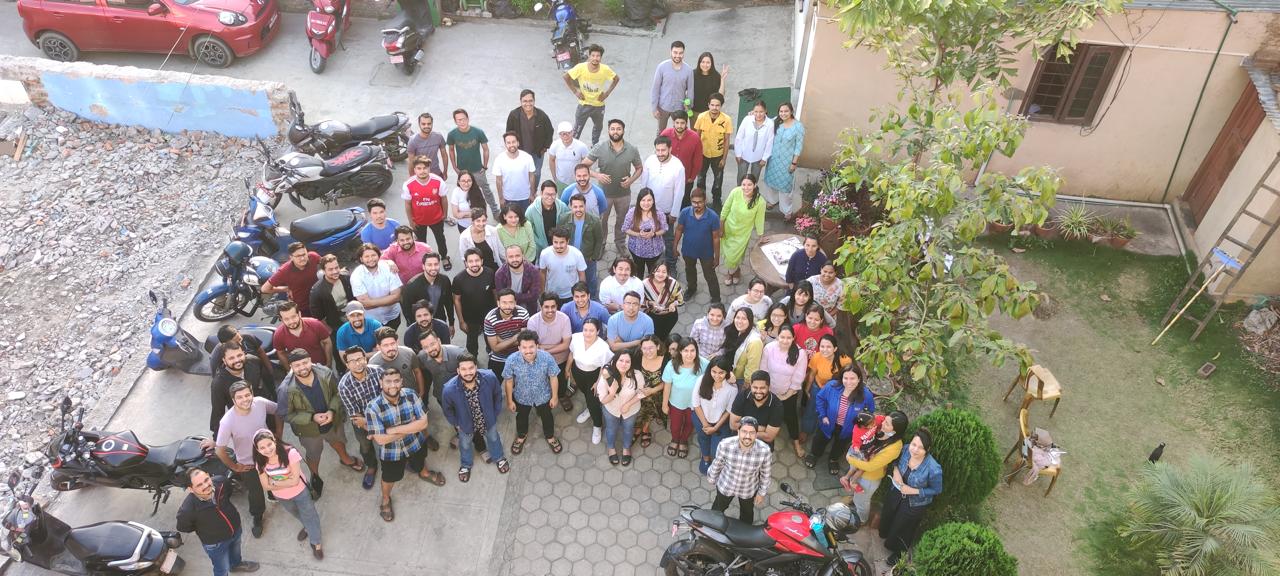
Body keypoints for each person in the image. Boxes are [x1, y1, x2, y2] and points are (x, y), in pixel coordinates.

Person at [365, 367, 446, 523]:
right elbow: (381, 440)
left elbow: (423, 424)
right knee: (390, 478)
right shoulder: (373, 408)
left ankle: (424, 473)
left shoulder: (411, 394)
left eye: (396, 381)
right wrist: (411, 427)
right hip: (391, 453)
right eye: (388, 381)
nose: (393, 385)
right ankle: (386, 499)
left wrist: (392, 431)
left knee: (420, 461)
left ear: (401, 381)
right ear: (380, 383)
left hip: (415, 444)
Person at [279, 350, 363, 497]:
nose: (303, 367)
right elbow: (285, 414)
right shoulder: (285, 389)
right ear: (291, 366)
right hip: (308, 430)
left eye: (305, 362)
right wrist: (311, 418)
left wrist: (332, 410)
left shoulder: (325, 373)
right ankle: (315, 476)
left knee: (338, 440)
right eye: (297, 365)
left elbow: (338, 393)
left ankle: (345, 459)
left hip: (332, 421)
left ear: (310, 360)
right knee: (313, 454)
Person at [213, 383, 273, 539]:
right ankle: (258, 517)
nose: (245, 399)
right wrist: (235, 467)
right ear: (233, 400)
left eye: (247, 395)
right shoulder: (227, 421)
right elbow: (219, 450)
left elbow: (278, 411)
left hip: (269, 454)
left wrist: (277, 432)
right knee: (256, 492)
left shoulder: (260, 403)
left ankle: (273, 493)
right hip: (249, 463)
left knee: (275, 476)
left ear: (252, 392)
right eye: (239, 397)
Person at [252, 430, 324, 559]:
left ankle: (316, 542)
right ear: (257, 450)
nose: (267, 450)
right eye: (262, 448)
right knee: (296, 513)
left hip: (301, 492)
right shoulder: (260, 462)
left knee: (310, 515)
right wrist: (286, 482)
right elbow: (265, 486)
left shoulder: (290, 453)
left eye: (269, 444)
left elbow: (295, 481)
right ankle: (308, 527)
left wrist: (274, 483)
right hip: (282, 497)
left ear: (274, 441)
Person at [176, 469, 260, 576]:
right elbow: (184, 527)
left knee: (236, 552)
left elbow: (228, 492)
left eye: (206, 480)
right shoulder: (187, 509)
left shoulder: (221, 482)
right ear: (191, 489)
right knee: (221, 569)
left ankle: (235, 565)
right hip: (215, 544)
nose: (206, 485)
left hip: (235, 529)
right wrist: (206, 529)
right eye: (199, 485)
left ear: (208, 475)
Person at [879, 428, 944, 567]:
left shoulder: (934, 468)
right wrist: (896, 471)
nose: (914, 450)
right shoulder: (906, 449)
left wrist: (913, 491)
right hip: (897, 491)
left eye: (920, 448)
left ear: (927, 449)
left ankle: (898, 553)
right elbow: (895, 461)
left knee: (902, 527)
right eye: (914, 445)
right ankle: (887, 537)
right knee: (889, 514)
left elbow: (936, 489)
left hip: (915, 502)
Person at [441, 353, 510, 482]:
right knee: (465, 444)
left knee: (494, 438)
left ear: (476, 367)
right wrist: (456, 423)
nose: (468, 372)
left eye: (471, 368)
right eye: (464, 369)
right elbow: (448, 410)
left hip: (488, 419)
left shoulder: (489, 377)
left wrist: (494, 413)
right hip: (465, 424)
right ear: (458, 371)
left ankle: (499, 457)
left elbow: (497, 395)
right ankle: (466, 464)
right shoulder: (449, 389)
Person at [582, 119, 643, 255]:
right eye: (613, 129)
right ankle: (602, 243)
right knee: (602, 220)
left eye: (618, 129)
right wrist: (597, 175)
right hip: (604, 194)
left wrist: (631, 180)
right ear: (608, 131)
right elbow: (583, 166)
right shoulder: (599, 147)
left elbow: (639, 168)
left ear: (623, 131)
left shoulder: (632, 149)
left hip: (624, 194)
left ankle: (620, 243)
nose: (615, 132)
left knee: (622, 220)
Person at [840, 411, 908, 522]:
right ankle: (854, 499)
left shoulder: (895, 447)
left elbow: (870, 466)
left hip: (869, 478)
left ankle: (861, 519)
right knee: (857, 492)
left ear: (894, 431)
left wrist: (850, 459)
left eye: (887, 424)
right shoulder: (879, 426)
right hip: (860, 467)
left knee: (862, 501)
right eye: (885, 419)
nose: (882, 423)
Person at [503, 330, 563, 455]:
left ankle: (550, 436)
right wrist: (509, 401)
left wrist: (555, 397)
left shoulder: (546, 358)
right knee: (521, 417)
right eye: (524, 347)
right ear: (519, 347)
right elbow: (508, 381)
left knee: (547, 417)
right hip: (521, 397)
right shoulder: (511, 360)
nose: (528, 350)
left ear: (537, 346)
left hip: (543, 396)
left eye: (531, 347)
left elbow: (553, 377)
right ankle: (521, 435)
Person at [809, 366, 875, 475]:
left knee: (840, 445)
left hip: (848, 429)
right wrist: (823, 415)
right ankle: (814, 454)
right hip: (828, 422)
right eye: (846, 378)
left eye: (852, 378)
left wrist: (860, 426)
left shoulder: (866, 395)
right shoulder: (832, 386)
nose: (849, 382)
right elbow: (820, 398)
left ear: (859, 379)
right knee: (820, 439)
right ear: (841, 378)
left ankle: (833, 459)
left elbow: (870, 411)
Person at [706, 415, 772, 524]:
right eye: (744, 431)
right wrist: (712, 478)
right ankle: (712, 527)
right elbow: (718, 463)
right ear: (738, 431)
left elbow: (766, 474)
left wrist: (761, 493)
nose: (747, 436)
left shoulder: (764, 451)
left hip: (748, 489)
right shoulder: (725, 444)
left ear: (756, 434)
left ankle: (744, 534)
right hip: (726, 485)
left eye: (752, 433)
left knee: (747, 514)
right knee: (717, 509)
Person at [336, 347, 384, 491]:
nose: (357, 364)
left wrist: (383, 428)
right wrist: (373, 430)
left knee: (390, 440)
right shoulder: (344, 386)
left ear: (365, 359)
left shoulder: (379, 371)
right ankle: (372, 465)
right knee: (365, 444)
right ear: (347, 365)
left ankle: (396, 459)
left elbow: (388, 396)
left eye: (360, 359)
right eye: (352, 361)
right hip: (362, 420)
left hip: (384, 414)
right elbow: (355, 415)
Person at [759, 325, 809, 457]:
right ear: (777, 336)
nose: (785, 340)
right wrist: (766, 391)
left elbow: (799, 378)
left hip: (788, 393)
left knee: (791, 417)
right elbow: (763, 370)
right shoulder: (769, 348)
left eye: (789, 338)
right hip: (768, 390)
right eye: (782, 337)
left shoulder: (800, 353)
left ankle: (796, 443)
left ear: (793, 338)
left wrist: (786, 395)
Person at [639, 137, 685, 272]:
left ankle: (671, 266)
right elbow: (644, 184)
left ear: (670, 149)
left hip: (666, 212)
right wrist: (641, 205)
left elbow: (679, 192)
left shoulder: (678, 167)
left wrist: (674, 213)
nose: (660, 153)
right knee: (649, 235)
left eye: (663, 150)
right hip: (648, 209)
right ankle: (653, 264)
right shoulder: (650, 160)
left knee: (668, 240)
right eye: (657, 150)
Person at [210, 344, 275, 436]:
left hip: (266, 414)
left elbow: (268, 382)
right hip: (245, 424)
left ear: (244, 354)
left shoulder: (254, 361)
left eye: (239, 355)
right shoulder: (219, 383)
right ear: (224, 360)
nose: (237, 360)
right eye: (231, 358)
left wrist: (274, 401)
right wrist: (216, 439)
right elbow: (217, 412)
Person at [567, 318, 613, 444]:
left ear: (598, 331)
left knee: (593, 400)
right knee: (585, 394)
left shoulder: (603, 347)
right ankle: (589, 409)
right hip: (578, 371)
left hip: (593, 376)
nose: (587, 333)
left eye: (591, 330)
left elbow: (604, 366)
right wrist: (567, 369)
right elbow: (571, 354)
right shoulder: (576, 338)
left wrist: (598, 382)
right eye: (585, 330)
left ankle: (597, 426)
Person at [564, 44, 620, 145]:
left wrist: (606, 94)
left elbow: (616, 79)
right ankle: (573, 148)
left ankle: (594, 147)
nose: (595, 58)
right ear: (589, 56)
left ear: (601, 57)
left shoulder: (605, 69)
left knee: (598, 128)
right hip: (583, 105)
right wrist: (575, 91)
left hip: (598, 106)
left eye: (598, 56)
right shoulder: (581, 68)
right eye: (593, 55)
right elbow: (566, 77)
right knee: (577, 129)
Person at [673, 188, 721, 303]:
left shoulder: (713, 216)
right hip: (688, 251)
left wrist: (717, 256)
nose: (697, 205)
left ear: (705, 201)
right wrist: (674, 247)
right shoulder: (685, 212)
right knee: (690, 271)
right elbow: (679, 230)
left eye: (699, 202)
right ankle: (691, 289)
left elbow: (716, 238)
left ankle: (716, 298)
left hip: (706, 253)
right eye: (694, 202)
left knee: (710, 276)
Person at [526, 292, 573, 411]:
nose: (550, 310)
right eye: (546, 307)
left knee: (561, 379)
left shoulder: (564, 319)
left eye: (553, 306)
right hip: (539, 359)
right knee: (541, 381)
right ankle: (543, 400)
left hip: (561, 358)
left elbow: (566, 344)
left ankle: (562, 396)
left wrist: (545, 348)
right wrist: (556, 346)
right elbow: (533, 346)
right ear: (540, 306)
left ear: (557, 306)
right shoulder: (532, 321)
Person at [662, 339, 706, 459]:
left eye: (692, 350)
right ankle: (675, 439)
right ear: (680, 351)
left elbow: (716, 370)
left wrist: (730, 376)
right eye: (686, 350)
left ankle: (683, 440)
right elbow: (667, 386)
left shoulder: (703, 363)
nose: (689, 354)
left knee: (689, 424)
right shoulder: (671, 365)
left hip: (695, 405)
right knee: (675, 426)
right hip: (676, 403)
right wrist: (664, 404)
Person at [447, 109, 497, 216]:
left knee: (486, 191)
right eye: (459, 120)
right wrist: (455, 167)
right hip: (462, 171)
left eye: (464, 119)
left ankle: (496, 212)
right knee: (465, 193)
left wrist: (484, 166)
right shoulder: (452, 134)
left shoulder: (478, 132)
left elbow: (486, 149)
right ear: (455, 121)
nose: (462, 122)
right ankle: (471, 214)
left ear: (468, 119)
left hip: (478, 170)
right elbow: (451, 150)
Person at [692, 356, 737, 475]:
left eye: (721, 372)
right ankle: (705, 458)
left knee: (716, 448)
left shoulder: (732, 389)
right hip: (701, 419)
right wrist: (705, 424)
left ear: (727, 372)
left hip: (720, 423)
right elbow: (696, 404)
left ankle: (714, 460)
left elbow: (728, 411)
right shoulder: (701, 380)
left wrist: (715, 427)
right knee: (703, 439)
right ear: (709, 370)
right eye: (714, 371)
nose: (717, 376)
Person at [597, 350, 642, 466]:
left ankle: (626, 448)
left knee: (628, 429)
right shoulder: (606, 377)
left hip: (631, 410)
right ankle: (611, 448)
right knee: (611, 429)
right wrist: (612, 394)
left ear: (631, 363)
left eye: (627, 361)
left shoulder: (637, 375)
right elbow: (602, 400)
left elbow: (641, 393)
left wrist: (628, 404)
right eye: (621, 360)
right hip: (611, 410)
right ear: (615, 361)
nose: (624, 364)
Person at [720, 174, 766, 286]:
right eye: (743, 184)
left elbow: (759, 220)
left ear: (755, 185)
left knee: (734, 256)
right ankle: (734, 271)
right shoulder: (735, 192)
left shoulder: (760, 202)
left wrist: (761, 236)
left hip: (743, 233)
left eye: (749, 184)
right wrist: (721, 226)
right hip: (728, 228)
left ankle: (731, 272)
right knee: (728, 255)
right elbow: (725, 208)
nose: (746, 187)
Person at [400, 160, 449, 263]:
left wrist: (445, 214)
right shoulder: (408, 184)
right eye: (419, 168)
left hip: (436, 219)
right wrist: (411, 221)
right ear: (414, 170)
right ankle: (426, 260)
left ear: (429, 168)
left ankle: (444, 257)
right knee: (421, 243)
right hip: (418, 221)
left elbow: (444, 198)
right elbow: (407, 204)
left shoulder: (438, 181)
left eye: (425, 168)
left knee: (440, 239)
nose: (422, 171)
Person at [763, 102, 805, 220]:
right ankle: (772, 201)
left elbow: (798, 147)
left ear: (791, 111)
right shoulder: (776, 121)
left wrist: (794, 163)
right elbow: (763, 119)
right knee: (771, 183)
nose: (783, 114)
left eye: (786, 111)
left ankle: (786, 210)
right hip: (773, 159)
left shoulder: (798, 126)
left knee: (785, 187)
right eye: (781, 111)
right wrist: (752, 114)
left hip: (787, 162)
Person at [557, 195, 605, 298]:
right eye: (575, 207)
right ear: (570, 207)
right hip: (569, 257)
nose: (578, 209)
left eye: (581, 206)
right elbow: (559, 236)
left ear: (585, 206)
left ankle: (591, 298)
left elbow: (599, 239)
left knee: (590, 280)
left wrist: (594, 257)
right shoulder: (563, 219)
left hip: (587, 258)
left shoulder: (595, 221)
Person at [804, 335, 849, 442]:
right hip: (818, 387)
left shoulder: (844, 360)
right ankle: (806, 430)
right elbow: (812, 374)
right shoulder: (817, 357)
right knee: (811, 409)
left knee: (827, 412)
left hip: (835, 391)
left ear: (835, 348)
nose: (825, 350)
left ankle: (821, 431)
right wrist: (807, 389)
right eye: (822, 346)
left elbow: (849, 377)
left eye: (828, 347)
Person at [350, 243, 404, 329]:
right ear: (361, 259)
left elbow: (397, 297)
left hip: (392, 316)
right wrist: (390, 299)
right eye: (366, 256)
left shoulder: (389, 267)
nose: (370, 259)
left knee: (392, 339)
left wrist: (371, 302)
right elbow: (366, 305)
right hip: (372, 321)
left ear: (379, 256)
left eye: (373, 255)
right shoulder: (356, 276)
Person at [694, 93, 733, 208]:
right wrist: (696, 156)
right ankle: (701, 199)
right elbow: (697, 137)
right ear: (708, 105)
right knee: (700, 178)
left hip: (718, 155)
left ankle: (716, 200)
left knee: (718, 179)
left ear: (721, 106)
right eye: (712, 105)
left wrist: (724, 159)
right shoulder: (701, 117)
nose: (714, 108)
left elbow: (727, 140)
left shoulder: (726, 120)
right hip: (703, 154)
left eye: (717, 105)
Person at [504, 89, 554, 178]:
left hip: (537, 152)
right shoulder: (514, 115)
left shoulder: (542, 116)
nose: (528, 104)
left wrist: (545, 147)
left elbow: (550, 131)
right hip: (519, 151)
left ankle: (533, 191)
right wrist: (511, 146)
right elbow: (508, 133)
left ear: (534, 101)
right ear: (520, 101)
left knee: (536, 173)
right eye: (525, 101)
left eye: (530, 101)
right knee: (520, 173)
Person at [261, 243, 320, 317]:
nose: (302, 258)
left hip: (320, 299)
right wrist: (286, 289)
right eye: (298, 256)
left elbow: (326, 264)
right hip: (303, 307)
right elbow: (264, 289)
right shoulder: (284, 271)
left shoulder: (313, 256)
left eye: (304, 254)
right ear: (291, 257)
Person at [399, 252, 454, 329]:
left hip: (440, 322)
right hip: (421, 326)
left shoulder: (444, 280)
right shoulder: (412, 286)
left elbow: (449, 303)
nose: (433, 268)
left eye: (436, 264)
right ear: (423, 266)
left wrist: (451, 324)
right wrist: (415, 328)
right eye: (429, 265)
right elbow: (407, 311)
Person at [622, 188, 668, 279]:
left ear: (653, 201)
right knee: (638, 274)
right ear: (639, 200)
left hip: (654, 252)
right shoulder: (632, 212)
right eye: (643, 200)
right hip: (636, 251)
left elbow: (665, 228)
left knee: (653, 274)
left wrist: (654, 234)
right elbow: (625, 228)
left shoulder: (659, 213)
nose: (646, 203)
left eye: (649, 200)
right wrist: (638, 234)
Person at [729, 371, 784, 448]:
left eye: (762, 388)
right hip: (739, 442)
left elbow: (769, 437)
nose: (758, 391)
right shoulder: (742, 396)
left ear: (769, 387)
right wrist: (761, 428)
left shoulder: (777, 406)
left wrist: (744, 429)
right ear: (750, 385)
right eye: (755, 387)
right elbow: (733, 425)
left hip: (761, 446)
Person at [370, 327, 427, 400]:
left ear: (397, 342)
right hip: (389, 400)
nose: (390, 348)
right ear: (378, 347)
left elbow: (417, 372)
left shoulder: (409, 353)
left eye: (392, 343)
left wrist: (421, 392)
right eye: (385, 345)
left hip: (412, 396)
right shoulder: (373, 363)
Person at [650, 41, 695, 134]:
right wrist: (654, 108)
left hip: (679, 108)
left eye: (680, 53)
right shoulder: (662, 67)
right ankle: (659, 148)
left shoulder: (688, 70)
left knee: (680, 132)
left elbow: (690, 91)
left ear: (684, 53)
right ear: (670, 52)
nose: (677, 55)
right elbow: (655, 88)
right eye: (675, 52)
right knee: (661, 132)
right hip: (663, 106)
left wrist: (689, 107)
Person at [416, 331, 466, 412]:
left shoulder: (459, 353)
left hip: (461, 394)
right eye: (425, 347)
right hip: (441, 395)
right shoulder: (422, 357)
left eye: (432, 344)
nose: (430, 349)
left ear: (439, 341)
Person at [483, 289, 530, 376]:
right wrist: (515, 337)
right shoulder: (490, 319)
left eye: (511, 302)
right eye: (504, 302)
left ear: (515, 302)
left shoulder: (523, 313)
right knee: (493, 383)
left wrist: (501, 341)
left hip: (518, 355)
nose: (508, 306)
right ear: (498, 303)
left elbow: (523, 341)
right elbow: (495, 348)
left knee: (519, 387)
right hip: (498, 357)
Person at [274, 300, 334, 368]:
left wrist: (329, 364)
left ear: (299, 314)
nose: (291, 321)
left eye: (293, 317)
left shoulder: (315, 324)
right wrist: (289, 370)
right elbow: (281, 352)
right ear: (281, 319)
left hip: (321, 367)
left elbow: (327, 342)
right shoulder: (279, 334)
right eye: (286, 319)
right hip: (300, 371)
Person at [660, 112, 703, 204]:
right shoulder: (665, 134)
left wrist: (692, 177)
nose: (680, 126)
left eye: (682, 123)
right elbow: (659, 154)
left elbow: (698, 160)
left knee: (684, 201)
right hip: (667, 177)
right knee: (667, 201)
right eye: (677, 123)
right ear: (673, 123)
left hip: (686, 178)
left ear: (686, 123)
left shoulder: (695, 138)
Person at [634, 335, 668, 449]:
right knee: (638, 408)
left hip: (657, 392)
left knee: (649, 406)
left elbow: (668, 382)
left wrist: (652, 390)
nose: (647, 351)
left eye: (651, 348)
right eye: (644, 348)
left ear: (658, 347)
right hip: (639, 390)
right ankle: (638, 427)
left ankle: (645, 428)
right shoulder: (638, 356)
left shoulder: (665, 360)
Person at [540, 227, 588, 304]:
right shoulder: (545, 254)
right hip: (552, 294)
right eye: (555, 242)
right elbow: (542, 273)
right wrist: (542, 292)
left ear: (567, 241)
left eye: (562, 242)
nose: (558, 246)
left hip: (571, 295)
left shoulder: (577, 254)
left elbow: (581, 274)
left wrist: (581, 293)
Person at [493, 132, 538, 213]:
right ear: (505, 144)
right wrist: (501, 198)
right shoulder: (499, 159)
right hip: (508, 198)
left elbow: (532, 177)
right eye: (508, 143)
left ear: (518, 143)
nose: (511, 145)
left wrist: (532, 194)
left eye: (513, 142)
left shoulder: (527, 157)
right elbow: (498, 181)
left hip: (525, 197)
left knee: (525, 221)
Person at [210, 325, 274, 381]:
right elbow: (216, 374)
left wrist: (270, 369)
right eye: (235, 342)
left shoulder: (248, 337)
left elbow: (261, 352)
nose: (240, 344)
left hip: (257, 368)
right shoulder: (217, 355)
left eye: (240, 339)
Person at [525, 181, 569, 259]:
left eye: (553, 194)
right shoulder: (531, 210)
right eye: (547, 194)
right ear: (541, 193)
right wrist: (537, 242)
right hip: (541, 248)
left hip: (559, 246)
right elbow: (527, 230)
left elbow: (568, 225)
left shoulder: (562, 207)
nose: (550, 197)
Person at [310, 254, 354, 331]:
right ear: (324, 271)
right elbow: (317, 316)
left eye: (336, 268)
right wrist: (329, 330)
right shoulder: (317, 290)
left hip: (354, 316)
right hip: (336, 325)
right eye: (330, 269)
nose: (335, 271)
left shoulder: (346, 278)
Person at [734, 100, 774, 183]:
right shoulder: (747, 119)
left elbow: (770, 142)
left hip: (758, 156)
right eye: (756, 111)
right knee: (741, 177)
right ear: (753, 111)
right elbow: (739, 137)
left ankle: (752, 193)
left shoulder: (770, 123)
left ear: (766, 111)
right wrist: (738, 153)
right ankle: (739, 192)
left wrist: (764, 158)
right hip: (744, 154)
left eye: (761, 112)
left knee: (754, 178)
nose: (758, 114)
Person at [495, 244, 543, 314]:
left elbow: (534, 296)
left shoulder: (533, 271)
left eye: (517, 256)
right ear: (506, 258)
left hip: (529, 307)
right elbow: (502, 297)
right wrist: (526, 295)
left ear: (523, 256)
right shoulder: (500, 274)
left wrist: (511, 297)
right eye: (511, 257)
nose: (514, 259)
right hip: (508, 308)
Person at [642, 262, 683, 340]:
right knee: (654, 336)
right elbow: (640, 301)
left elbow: (680, 298)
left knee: (664, 335)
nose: (660, 274)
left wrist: (673, 304)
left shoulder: (672, 283)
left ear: (668, 273)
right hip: (652, 316)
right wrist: (650, 303)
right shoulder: (645, 284)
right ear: (653, 271)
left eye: (664, 272)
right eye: (658, 271)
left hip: (670, 316)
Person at [722, 308, 763, 381]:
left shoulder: (755, 341)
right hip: (727, 373)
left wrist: (746, 383)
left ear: (750, 321)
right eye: (737, 317)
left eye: (744, 319)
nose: (740, 321)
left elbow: (752, 367)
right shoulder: (735, 331)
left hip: (739, 379)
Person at [548, 123, 592, 189]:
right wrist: (554, 177)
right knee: (562, 199)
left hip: (578, 181)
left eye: (568, 133)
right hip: (561, 181)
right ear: (559, 135)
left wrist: (585, 178)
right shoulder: (555, 145)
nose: (565, 136)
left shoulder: (581, 146)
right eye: (562, 134)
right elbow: (551, 160)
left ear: (572, 132)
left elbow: (587, 164)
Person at [407, 112, 449, 180]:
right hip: (420, 176)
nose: (426, 126)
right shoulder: (413, 141)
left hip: (436, 173)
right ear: (419, 124)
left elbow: (444, 155)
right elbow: (411, 162)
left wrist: (445, 171)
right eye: (423, 124)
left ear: (432, 124)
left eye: (429, 124)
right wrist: (412, 178)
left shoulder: (438, 137)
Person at [449, 170, 486, 236]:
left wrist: (463, 214)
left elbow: (483, 211)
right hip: (463, 226)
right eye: (463, 181)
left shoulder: (478, 190)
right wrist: (474, 213)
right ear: (458, 182)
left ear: (472, 181)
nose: (466, 183)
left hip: (479, 225)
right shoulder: (456, 192)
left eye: (469, 180)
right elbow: (456, 214)